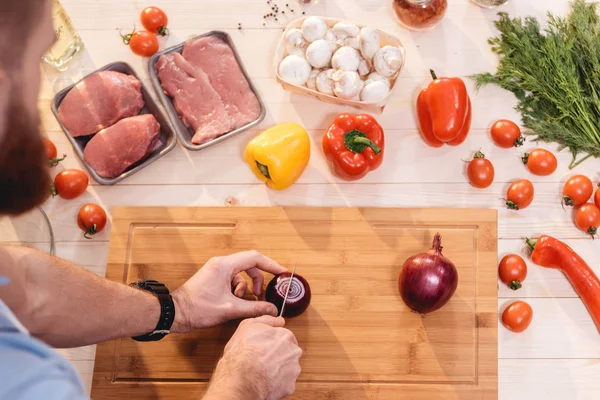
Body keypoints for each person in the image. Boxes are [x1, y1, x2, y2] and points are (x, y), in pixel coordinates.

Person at [0, 1, 302, 399]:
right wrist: (245, 383)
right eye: (35, 59)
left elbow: (20, 287)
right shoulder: (31, 384)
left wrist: (177, 307)